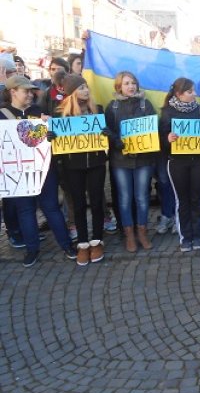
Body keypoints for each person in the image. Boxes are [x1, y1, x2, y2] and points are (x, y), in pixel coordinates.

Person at [0, 76, 76, 267]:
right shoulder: (2, 115)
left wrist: (50, 134)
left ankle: (67, 245)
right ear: (13, 92)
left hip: (43, 170)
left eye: (31, 90)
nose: (30, 94)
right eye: (26, 91)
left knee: (51, 207)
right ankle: (32, 249)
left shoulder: (39, 112)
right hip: (16, 172)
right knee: (25, 210)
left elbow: (49, 141)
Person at [54, 74, 107, 266]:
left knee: (97, 202)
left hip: (96, 164)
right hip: (72, 167)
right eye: (81, 87)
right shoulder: (61, 115)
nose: (86, 90)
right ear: (72, 93)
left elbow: (108, 136)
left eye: (86, 87)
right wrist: (51, 138)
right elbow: (55, 144)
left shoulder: (98, 111)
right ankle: (83, 243)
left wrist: (108, 134)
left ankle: (97, 241)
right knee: (77, 204)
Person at [105, 71, 157, 253]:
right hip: (120, 160)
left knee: (142, 197)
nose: (131, 86)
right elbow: (107, 131)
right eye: (127, 83)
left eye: (133, 83)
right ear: (119, 86)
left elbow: (153, 128)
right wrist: (116, 140)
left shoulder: (145, 104)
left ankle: (142, 231)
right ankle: (128, 233)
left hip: (143, 159)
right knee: (125, 198)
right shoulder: (112, 107)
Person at [160, 78, 200, 252]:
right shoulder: (167, 112)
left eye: (194, 90)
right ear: (178, 94)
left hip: (199, 161)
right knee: (182, 200)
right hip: (177, 163)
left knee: (197, 199)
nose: (194, 94)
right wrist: (168, 139)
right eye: (190, 92)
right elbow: (160, 139)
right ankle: (185, 237)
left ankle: (197, 235)